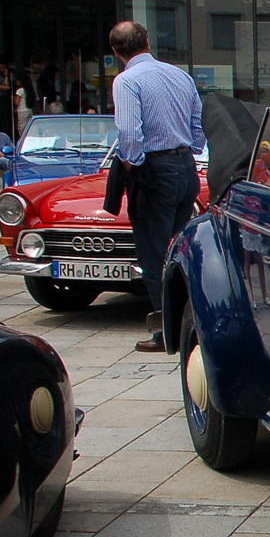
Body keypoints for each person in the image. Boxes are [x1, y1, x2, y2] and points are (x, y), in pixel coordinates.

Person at [107, 21, 206, 352]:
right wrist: (189, 151)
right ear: (147, 41)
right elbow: (197, 126)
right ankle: (188, 321)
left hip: (154, 168)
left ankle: (166, 330)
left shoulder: (127, 80)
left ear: (115, 52)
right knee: (180, 250)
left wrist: (130, 164)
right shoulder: (179, 75)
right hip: (185, 166)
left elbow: (130, 134)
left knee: (154, 254)